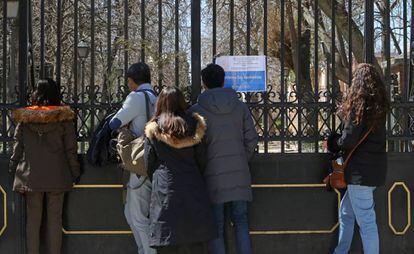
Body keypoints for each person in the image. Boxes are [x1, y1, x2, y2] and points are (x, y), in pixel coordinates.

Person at [189, 63, 258, 254]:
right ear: (223, 80)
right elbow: (251, 138)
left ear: (204, 83)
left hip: (212, 176)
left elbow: (194, 145)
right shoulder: (240, 107)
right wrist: (242, 158)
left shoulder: (197, 110)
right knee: (242, 222)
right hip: (240, 174)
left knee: (216, 226)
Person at [9, 79, 80, 254]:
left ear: (36, 94)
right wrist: (75, 171)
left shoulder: (25, 119)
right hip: (57, 175)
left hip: (31, 176)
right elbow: (71, 150)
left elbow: (18, 147)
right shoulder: (64, 119)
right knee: (55, 220)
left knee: (33, 221)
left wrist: (12, 166)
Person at [144, 87, 215, 254]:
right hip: (192, 185)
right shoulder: (194, 125)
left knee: (167, 242)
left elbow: (149, 162)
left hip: (165, 188)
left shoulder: (154, 128)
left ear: (160, 103)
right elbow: (202, 159)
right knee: (195, 242)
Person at [327, 63, 389, 254]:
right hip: (373, 171)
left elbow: (348, 140)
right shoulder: (379, 107)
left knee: (367, 223)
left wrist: (332, 142)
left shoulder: (358, 106)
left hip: (359, 174)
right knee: (346, 213)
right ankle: (341, 251)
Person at [109, 62, 157, 254]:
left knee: (137, 217)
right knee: (132, 213)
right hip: (154, 160)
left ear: (132, 81)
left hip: (138, 161)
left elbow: (115, 122)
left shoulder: (136, 97)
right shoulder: (157, 97)